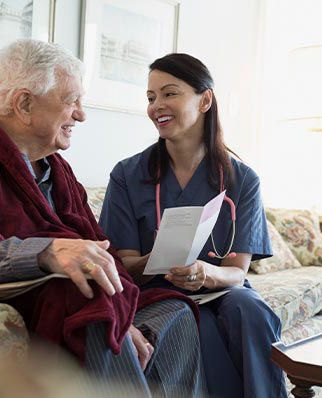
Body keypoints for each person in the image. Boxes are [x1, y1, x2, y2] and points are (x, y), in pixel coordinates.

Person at [0, 39, 204, 397]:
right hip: (14, 296)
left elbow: (99, 249)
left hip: (80, 304)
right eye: (71, 101)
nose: (81, 114)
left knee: (173, 308)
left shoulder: (59, 171)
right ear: (24, 103)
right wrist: (43, 253)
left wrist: (122, 317)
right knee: (86, 294)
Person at [99, 53, 287, 398]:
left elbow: (236, 270)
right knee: (202, 327)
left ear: (205, 100)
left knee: (250, 310)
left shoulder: (241, 179)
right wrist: (158, 260)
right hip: (157, 292)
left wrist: (204, 273)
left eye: (170, 93)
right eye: (151, 97)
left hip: (222, 290)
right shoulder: (127, 175)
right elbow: (124, 268)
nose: (157, 105)